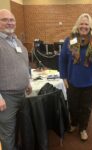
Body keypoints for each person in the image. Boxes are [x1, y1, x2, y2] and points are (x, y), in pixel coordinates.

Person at [59, 13, 92, 141]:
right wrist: (64, 77)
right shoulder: (70, 39)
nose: (84, 26)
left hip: (90, 81)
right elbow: (62, 60)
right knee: (72, 105)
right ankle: (74, 123)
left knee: (86, 107)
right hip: (73, 80)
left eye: (86, 24)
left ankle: (83, 128)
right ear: (77, 25)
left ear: (90, 27)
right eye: (81, 23)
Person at [0, 9, 32, 150]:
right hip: (6, 98)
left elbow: (22, 63)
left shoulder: (16, 40)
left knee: (21, 128)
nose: (9, 23)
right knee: (8, 133)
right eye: (4, 20)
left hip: (22, 94)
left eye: (12, 20)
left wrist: (27, 81)